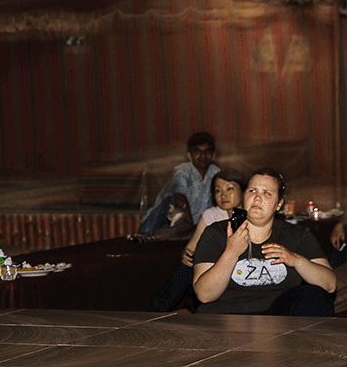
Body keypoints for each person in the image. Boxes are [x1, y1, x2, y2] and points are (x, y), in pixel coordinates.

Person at [191, 169, 334, 315]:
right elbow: (204, 295)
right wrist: (231, 252)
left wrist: (296, 260)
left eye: (267, 193)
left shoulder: (297, 235)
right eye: (252, 191)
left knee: (313, 295)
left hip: (278, 319)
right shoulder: (217, 232)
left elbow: (329, 285)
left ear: (279, 204)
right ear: (244, 197)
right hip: (228, 318)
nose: (257, 198)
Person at [148, 170, 244, 312]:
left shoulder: (253, 215)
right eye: (218, 191)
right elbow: (190, 248)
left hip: (240, 267)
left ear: (243, 191)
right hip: (211, 268)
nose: (223, 195)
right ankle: (153, 312)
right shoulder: (212, 215)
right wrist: (186, 255)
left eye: (229, 188)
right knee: (187, 267)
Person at [137, 133, 219, 235]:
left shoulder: (216, 173)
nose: (202, 156)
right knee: (173, 203)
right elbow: (179, 198)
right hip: (160, 224)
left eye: (207, 151)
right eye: (197, 152)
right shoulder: (182, 171)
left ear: (214, 155)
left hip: (190, 228)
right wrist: (191, 231)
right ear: (189, 155)